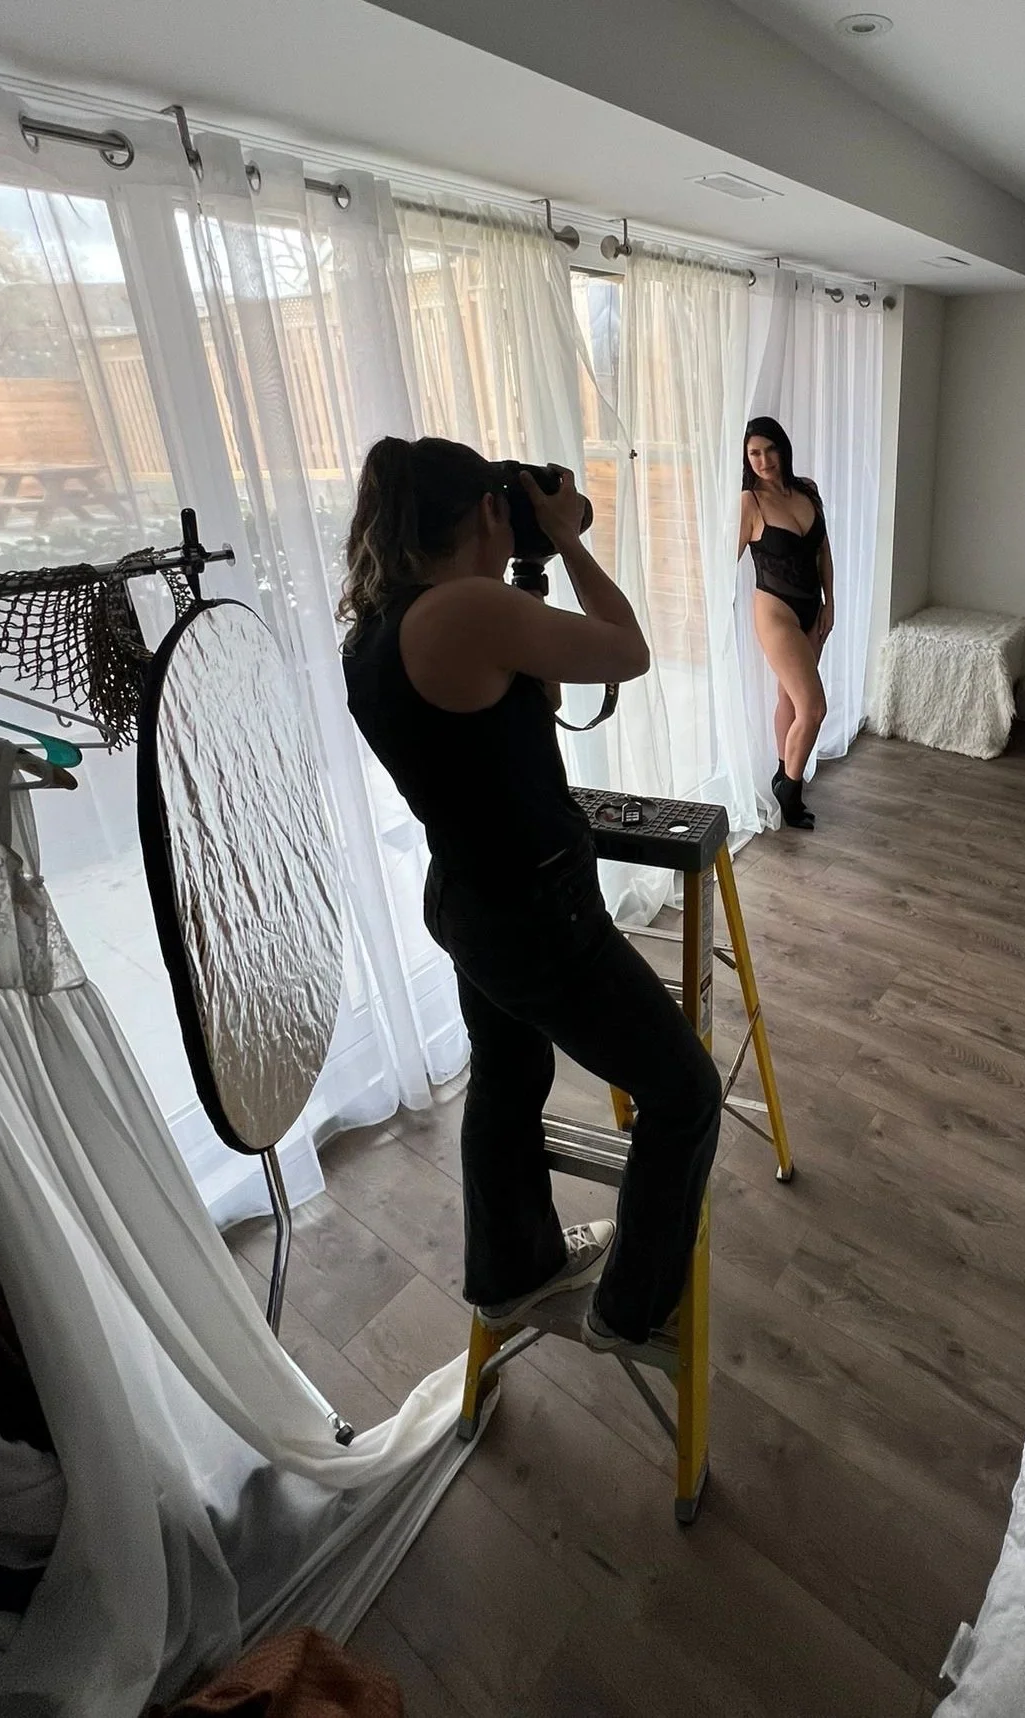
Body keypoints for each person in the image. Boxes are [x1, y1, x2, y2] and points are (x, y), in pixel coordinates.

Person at [339, 436, 721, 1349]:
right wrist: (571, 542)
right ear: (484, 512)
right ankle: (632, 1310)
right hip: (537, 914)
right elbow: (627, 652)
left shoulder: (383, 625)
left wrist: (528, 567)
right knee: (684, 1094)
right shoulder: (466, 609)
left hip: (470, 897)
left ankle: (512, 1272)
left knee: (510, 1078)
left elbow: (526, 699)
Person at [739, 416, 833, 830]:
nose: (764, 460)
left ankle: (783, 769)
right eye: (754, 453)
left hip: (812, 607)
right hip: (775, 611)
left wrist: (830, 604)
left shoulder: (806, 490)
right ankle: (790, 792)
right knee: (813, 707)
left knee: (792, 700)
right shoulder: (751, 502)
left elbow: (823, 552)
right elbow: (725, 559)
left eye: (770, 449)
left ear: (783, 448)